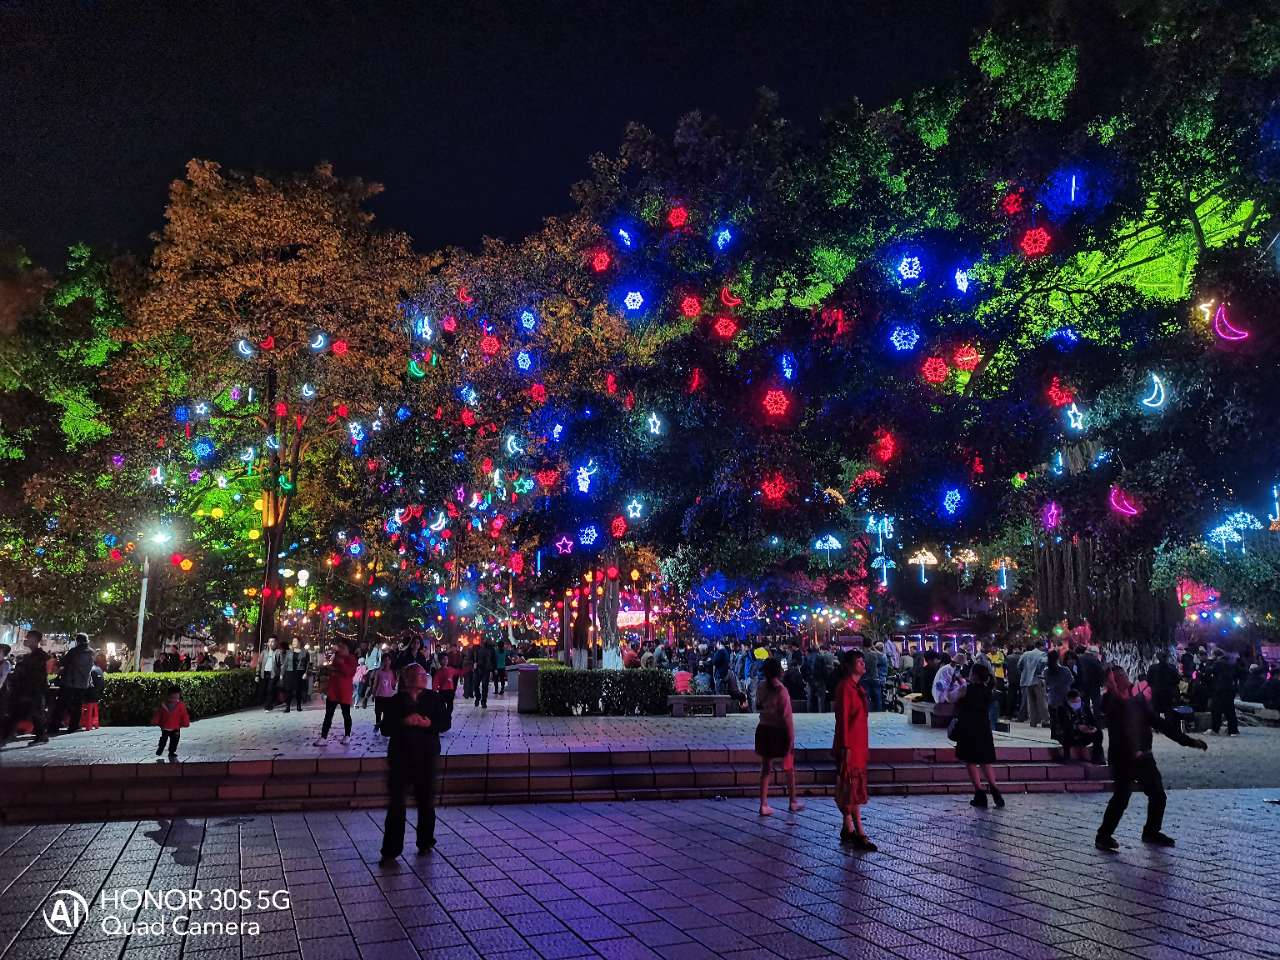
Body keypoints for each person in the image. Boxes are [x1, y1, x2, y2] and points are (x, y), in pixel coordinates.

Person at [1095, 665, 1208, 851]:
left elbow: (1160, 723)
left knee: (1158, 795)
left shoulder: (1137, 702)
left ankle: (1151, 831)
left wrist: (1188, 741)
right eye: (1119, 676)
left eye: (1124, 673)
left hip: (1144, 756)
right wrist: (1112, 689)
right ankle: (1103, 835)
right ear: (1112, 681)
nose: (1124, 677)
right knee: (1122, 797)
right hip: (1124, 758)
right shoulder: (1110, 701)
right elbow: (1110, 717)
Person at [380, 664, 451, 862]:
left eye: (424, 674)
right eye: (420, 675)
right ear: (409, 678)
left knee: (426, 801)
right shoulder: (396, 701)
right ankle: (391, 849)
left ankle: (426, 841)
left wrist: (429, 724)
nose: (424, 677)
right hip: (400, 757)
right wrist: (404, 722)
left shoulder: (433, 698)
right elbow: (385, 728)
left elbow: (445, 723)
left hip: (426, 756)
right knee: (396, 804)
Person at [944, 663, 1004, 808]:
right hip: (983, 728)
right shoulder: (989, 690)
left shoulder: (966, 688)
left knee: (970, 761)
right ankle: (995, 790)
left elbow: (950, 698)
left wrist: (953, 683)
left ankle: (979, 793)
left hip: (967, 728)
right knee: (985, 761)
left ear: (974, 674)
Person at [833, 650, 875, 850]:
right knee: (850, 787)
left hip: (858, 745)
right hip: (850, 745)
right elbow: (842, 720)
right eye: (859, 662)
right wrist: (845, 745)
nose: (863, 665)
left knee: (852, 786)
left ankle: (847, 828)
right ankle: (859, 831)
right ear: (849, 666)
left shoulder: (857, 688)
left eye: (863, 661)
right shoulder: (845, 688)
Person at [754, 657, 803, 816]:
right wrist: (791, 738)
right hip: (778, 731)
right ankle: (793, 801)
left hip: (763, 729)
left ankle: (763, 803)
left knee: (766, 767)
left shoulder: (761, 686)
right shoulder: (781, 690)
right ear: (779, 672)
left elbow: (758, 706)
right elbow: (786, 717)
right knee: (788, 767)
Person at [1, 632, 51, 744]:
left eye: (27, 638)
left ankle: (40, 736)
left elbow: (34, 675)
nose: (25, 640)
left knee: (33, 714)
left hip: (32, 690)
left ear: (34, 640)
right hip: (27, 690)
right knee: (19, 713)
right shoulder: (31, 656)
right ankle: (6, 736)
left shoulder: (39, 656)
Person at [314, 642, 357, 746]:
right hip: (333, 690)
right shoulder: (336, 657)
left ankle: (347, 735)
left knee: (346, 714)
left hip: (344, 691)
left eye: (342, 647)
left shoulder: (350, 658)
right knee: (328, 714)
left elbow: (349, 672)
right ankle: (323, 737)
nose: (340, 649)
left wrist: (341, 663)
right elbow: (332, 671)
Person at [54, 633, 95, 734]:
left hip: (70, 681)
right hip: (83, 683)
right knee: (77, 705)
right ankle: (73, 726)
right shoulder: (92, 652)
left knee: (62, 704)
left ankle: (54, 726)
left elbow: (62, 663)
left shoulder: (74, 651)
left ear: (77, 641)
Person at [1052, 687, 1104, 763]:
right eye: (1074, 702)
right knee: (1066, 733)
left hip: (1085, 733)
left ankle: (1097, 757)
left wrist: (1092, 728)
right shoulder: (1062, 709)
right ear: (1069, 701)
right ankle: (1066, 757)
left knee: (1098, 733)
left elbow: (1093, 721)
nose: (1077, 704)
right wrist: (1077, 727)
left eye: (1078, 701)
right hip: (1070, 735)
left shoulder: (1084, 707)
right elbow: (1063, 725)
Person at [152, 684, 190, 759]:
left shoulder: (180, 705)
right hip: (165, 727)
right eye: (173, 697)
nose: (175, 698)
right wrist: (155, 721)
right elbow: (158, 714)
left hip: (176, 727)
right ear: (169, 696)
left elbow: (184, 715)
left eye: (177, 696)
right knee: (163, 739)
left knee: (174, 741)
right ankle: (160, 748)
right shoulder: (163, 705)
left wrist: (185, 723)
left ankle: (171, 752)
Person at [1207, 650, 1239, 736]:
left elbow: (1209, 672)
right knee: (1230, 711)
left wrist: (1209, 663)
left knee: (1216, 710)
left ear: (1215, 655)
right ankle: (1233, 730)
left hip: (1220, 690)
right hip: (1230, 689)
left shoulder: (1217, 663)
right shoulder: (1229, 663)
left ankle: (1215, 729)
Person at [1019, 642, 1048, 727]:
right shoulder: (1042, 654)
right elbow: (1043, 663)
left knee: (1031, 702)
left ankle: (1033, 720)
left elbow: (1019, 665)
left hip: (1027, 681)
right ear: (1041, 646)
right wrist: (1039, 672)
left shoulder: (1025, 654)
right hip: (1037, 679)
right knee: (1041, 701)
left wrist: (1024, 673)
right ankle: (1045, 720)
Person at [1146, 650, 1181, 718]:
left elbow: (1148, 681)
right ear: (1167, 658)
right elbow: (1177, 680)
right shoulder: (1172, 668)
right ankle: (1168, 726)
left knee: (1156, 712)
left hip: (1156, 694)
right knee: (1169, 712)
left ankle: (1157, 727)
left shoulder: (1152, 668)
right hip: (1168, 694)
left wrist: (1154, 687)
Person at [280, 638, 311, 713]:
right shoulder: (289, 652)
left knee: (298, 690)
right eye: (293, 641)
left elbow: (308, 664)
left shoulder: (305, 652)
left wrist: (306, 673)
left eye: (295, 641)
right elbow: (285, 663)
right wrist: (282, 673)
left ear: (299, 642)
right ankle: (288, 707)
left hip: (299, 673)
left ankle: (298, 705)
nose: (293, 643)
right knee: (288, 690)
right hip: (289, 672)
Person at [1074, 644, 1105, 716]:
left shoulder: (1079, 659)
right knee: (1096, 703)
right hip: (1094, 685)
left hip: (1083, 684)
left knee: (1085, 702)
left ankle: (1086, 719)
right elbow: (1101, 672)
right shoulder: (1095, 660)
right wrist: (1101, 683)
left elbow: (1076, 670)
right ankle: (1097, 719)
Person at [372, 658, 399, 734]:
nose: (387, 661)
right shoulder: (379, 672)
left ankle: (383, 728)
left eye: (388, 660)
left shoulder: (391, 672)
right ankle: (377, 726)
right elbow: (375, 683)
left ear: (390, 661)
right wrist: (373, 693)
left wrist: (397, 679)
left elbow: (393, 684)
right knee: (378, 713)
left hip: (388, 696)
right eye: (385, 660)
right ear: (382, 661)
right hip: (379, 695)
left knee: (386, 714)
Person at [1044, 650, 1074, 714]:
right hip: (1065, 697)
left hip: (1052, 698)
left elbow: (1046, 683)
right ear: (1058, 658)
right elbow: (1071, 681)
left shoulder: (1046, 671)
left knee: (1053, 720)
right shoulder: (1065, 670)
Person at [257, 638, 282, 710]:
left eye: (273, 642)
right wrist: (257, 674)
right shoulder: (264, 652)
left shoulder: (278, 652)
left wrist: (281, 674)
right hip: (264, 673)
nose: (271, 643)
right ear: (267, 643)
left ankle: (269, 705)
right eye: (270, 642)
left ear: (276, 643)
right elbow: (259, 664)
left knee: (270, 689)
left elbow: (281, 664)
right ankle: (267, 703)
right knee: (263, 690)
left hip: (273, 674)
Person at [473, 639, 495, 708]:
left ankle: (483, 701)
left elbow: (493, 660)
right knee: (476, 685)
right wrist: (475, 665)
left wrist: (493, 669)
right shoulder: (477, 649)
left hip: (486, 670)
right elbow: (475, 659)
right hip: (479, 669)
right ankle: (478, 697)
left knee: (484, 686)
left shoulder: (491, 650)